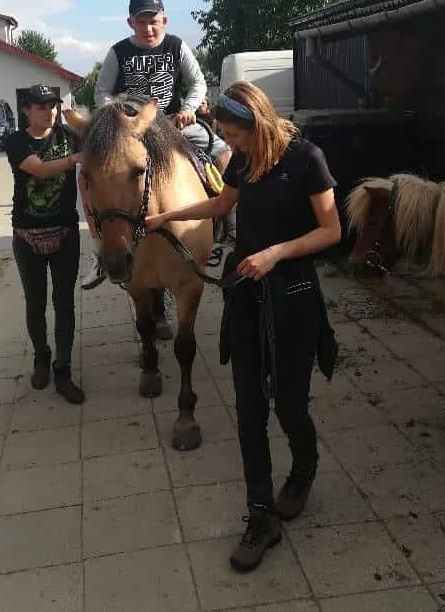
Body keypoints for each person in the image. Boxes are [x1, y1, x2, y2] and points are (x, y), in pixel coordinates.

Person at [146, 81, 341, 572]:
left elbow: (332, 230)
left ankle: (302, 472)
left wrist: (276, 252)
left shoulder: (306, 158)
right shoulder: (243, 160)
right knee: (249, 407)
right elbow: (220, 204)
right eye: (225, 135)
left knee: (291, 404)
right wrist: (165, 215)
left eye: (235, 134)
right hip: (245, 292)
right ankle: (260, 515)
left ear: (257, 122)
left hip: (292, 292)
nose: (229, 143)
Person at [80, 0, 231, 290]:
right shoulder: (118, 52)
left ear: (164, 20)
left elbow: (198, 82)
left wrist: (188, 109)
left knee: (225, 154)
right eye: (142, 21)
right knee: (86, 172)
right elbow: (102, 92)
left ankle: (228, 227)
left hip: (174, 124)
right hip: (130, 129)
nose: (149, 28)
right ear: (130, 22)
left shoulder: (176, 46)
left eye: (154, 21)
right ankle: (100, 250)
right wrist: (119, 118)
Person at [4, 84, 85, 404]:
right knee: (35, 303)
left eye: (53, 105)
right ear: (26, 110)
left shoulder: (69, 135)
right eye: (40, 106)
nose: (49, 111)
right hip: (27, 236)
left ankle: (63, 369)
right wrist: (75, 159)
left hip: (65, 233)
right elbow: (37, 169)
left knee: (64, 302)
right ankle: (41, 356)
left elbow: (99, 142)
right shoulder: (15, 141)